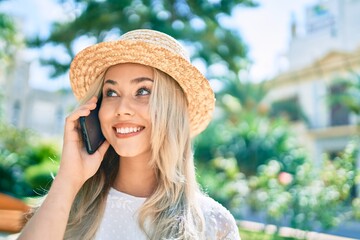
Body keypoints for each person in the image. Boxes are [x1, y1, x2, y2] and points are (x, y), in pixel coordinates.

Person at [18, 29, 241, 240]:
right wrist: (68, 177)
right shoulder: (65, 206)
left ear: (172, 109)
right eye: (111, 92)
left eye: (143, 91)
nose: (122, 108)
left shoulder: (215, 225)